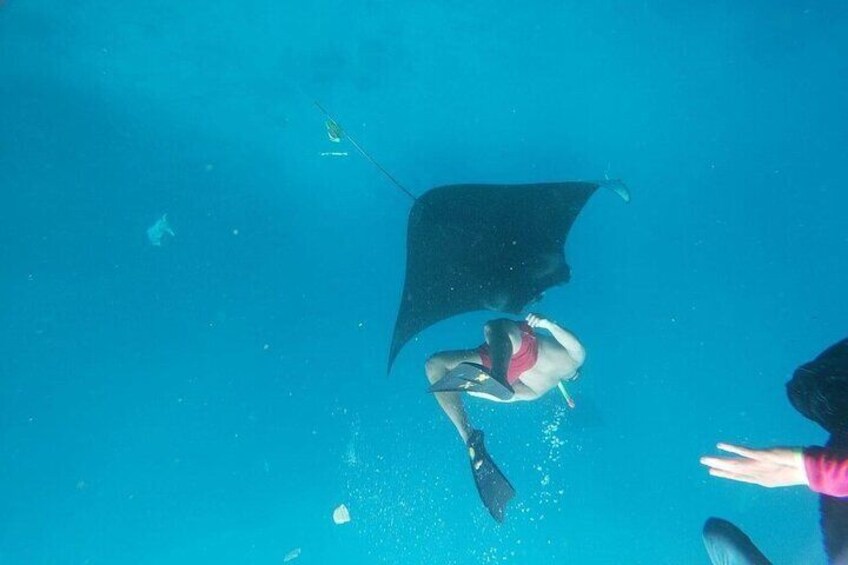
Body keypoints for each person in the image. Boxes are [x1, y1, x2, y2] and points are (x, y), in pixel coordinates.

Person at [424, 313, 585, 522]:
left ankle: (470, 426)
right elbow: (508, 396)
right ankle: (469, 437)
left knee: (494, 327)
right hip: (506, 364)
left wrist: (547, 324)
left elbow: (572, 343)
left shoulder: (574, 360)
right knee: (437, 364)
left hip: (518, 354)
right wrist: (478, 390)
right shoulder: (542, 389)